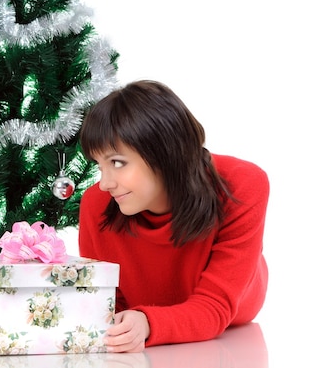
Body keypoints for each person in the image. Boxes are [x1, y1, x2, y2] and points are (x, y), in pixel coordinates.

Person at [78, 79, 269, 352]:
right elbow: (107, 302)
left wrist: (147, 322)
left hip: (232, 327)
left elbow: (214, 307)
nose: (105, 183)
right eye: (99, 165)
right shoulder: (97, 203)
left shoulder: (242, 184)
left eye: (117, 163)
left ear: (165, 152)